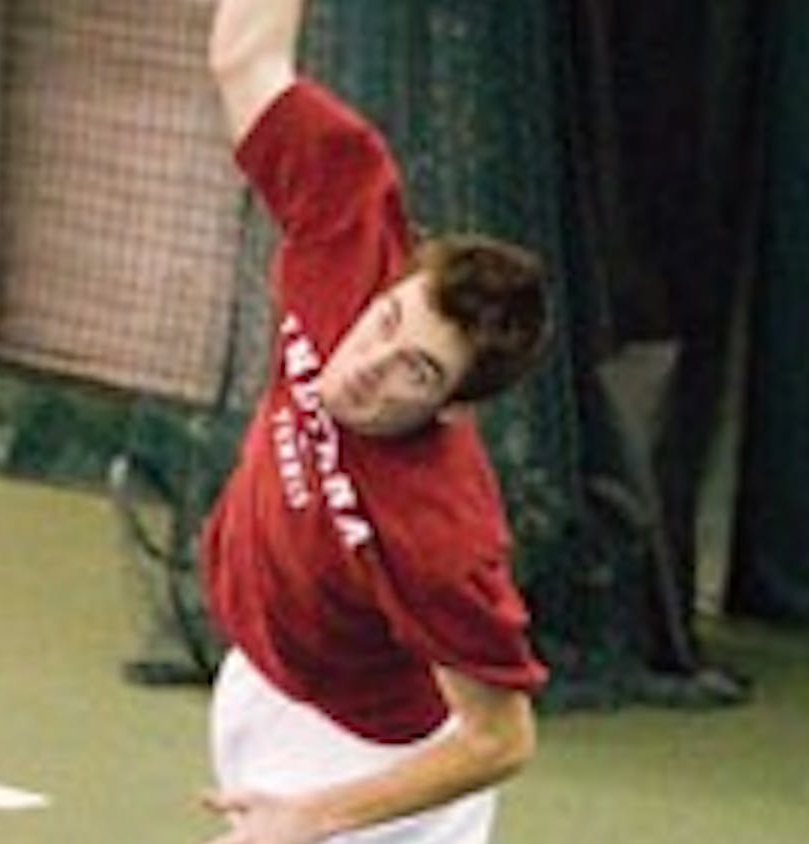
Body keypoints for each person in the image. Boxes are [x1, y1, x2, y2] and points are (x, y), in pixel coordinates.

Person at [197, 2, 554, 843]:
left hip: (368, 759)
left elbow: (500, 739)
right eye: (390, 323)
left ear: (452, 407)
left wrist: (314, 818)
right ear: (396, 280)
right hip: (264, 673)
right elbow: (245, 57)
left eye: (417, 373)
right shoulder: (348, 222)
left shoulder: (441, 538)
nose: (368, 367)